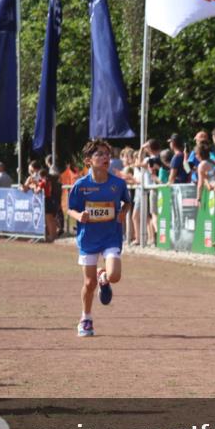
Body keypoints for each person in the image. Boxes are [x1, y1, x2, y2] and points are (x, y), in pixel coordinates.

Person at [66, 139, 131, 338]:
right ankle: (86, 318)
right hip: (88, 239)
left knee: (115, 276)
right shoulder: (81, 186)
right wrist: (80, 216)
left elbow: (126, 202)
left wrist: (123, 213)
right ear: (88, 160)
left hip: (111, 236)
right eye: (99, 154)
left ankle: (105, 277)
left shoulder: (118, 184)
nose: (105, 158)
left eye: (107, 154)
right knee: (88, 283)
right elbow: (70, 208)